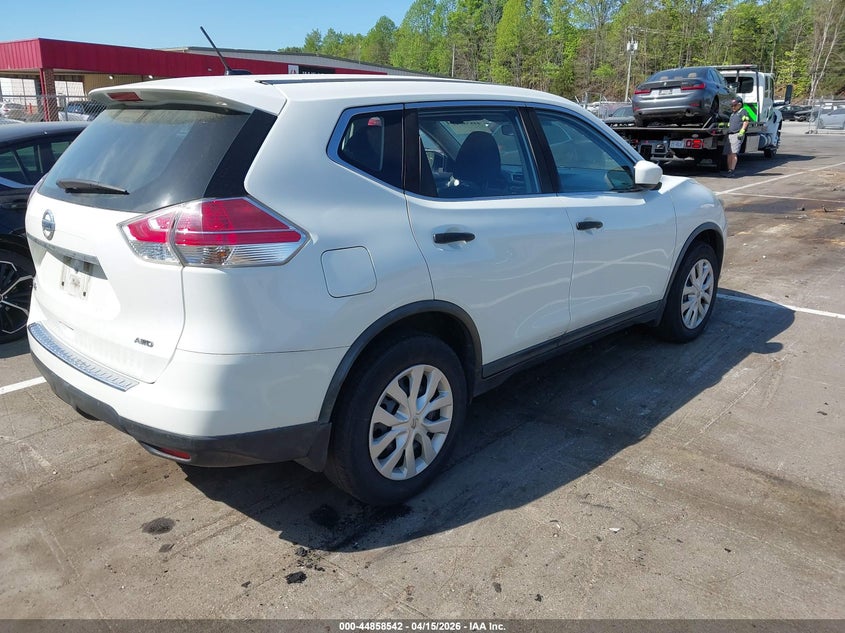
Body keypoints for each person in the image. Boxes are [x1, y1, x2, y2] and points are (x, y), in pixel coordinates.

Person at [723, 98, 750, 177]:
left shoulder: (743, 111)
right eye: (732, 106)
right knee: (728, 153)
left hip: (736, 134)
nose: (733, 107)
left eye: (734, 105)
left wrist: (742, 131)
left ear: (739, 104)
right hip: (730, 134)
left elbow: (746, 121)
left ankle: (732, 170)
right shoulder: (733, 113)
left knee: (733, 153)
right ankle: (729, 170)